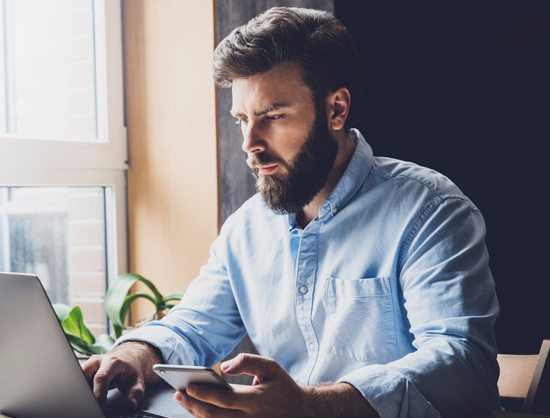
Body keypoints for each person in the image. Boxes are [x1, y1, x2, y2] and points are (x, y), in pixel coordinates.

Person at [83, 7, 500, 418]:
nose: (250, 142)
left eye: (273, 116)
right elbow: (194, 324)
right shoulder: (246, 228)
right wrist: (135, 354)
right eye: (241, 119)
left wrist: (310, 406)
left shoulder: (430, 211)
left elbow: (463, 364)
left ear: (337, 109)